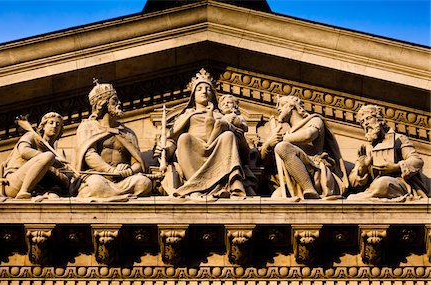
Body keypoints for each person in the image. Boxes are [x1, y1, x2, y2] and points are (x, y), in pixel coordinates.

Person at [154, 69, 246, 199]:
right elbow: (172, 140)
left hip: (217, 150)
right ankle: (195, 186)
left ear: (213, 95)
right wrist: (166, 150)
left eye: (208, 89)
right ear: (193, 95)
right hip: (194, 150)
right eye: (200, 89)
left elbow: (242, 144)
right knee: (184, 138)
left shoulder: (221, 116)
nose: (204, 91)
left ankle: (230, 184)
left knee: (228, 136)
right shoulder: (187, 115)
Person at [75, 79, 152, 198]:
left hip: (123, 179)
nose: (119, 103)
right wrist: (112, 171)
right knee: (95, 184)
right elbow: (89, 154)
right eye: (114, 100)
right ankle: (116, 195)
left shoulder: (127, 133)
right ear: (102, 103)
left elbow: (137, 162)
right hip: (99, 176)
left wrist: (129, 171)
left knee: (144, 183)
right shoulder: (88, 127)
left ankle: (112, 195)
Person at [261, 95, 348, 199]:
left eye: (282, 105)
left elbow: (308, 135)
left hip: (315, 173)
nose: (278, 109)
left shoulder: (314, 120)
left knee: (282, 147)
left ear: (292, 106)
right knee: (276, 198)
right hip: (293, 179)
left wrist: (283, 138)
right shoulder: (287, 134)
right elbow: (263, 162)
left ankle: (309, 189)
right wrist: (268, 144)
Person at [348, 105, 428, 200]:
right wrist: (363, 167)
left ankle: (364, 198)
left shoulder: (398, 139)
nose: (365, 123)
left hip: (398, 183)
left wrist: (396, 167)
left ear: (380, 119)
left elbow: (417, 161)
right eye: (362, 122)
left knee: (383, 183)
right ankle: (366, 197)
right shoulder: (366, 149)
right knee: (353, 197)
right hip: (374, 185)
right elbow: (353, 181)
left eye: (368, 118)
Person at [0, 112, 71, 199]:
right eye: (51, 123)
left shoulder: (51, 149)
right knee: (48, 156)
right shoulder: (30, 136)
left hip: (37, 187)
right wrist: (54, 160)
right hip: (12, 182)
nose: (54, 126)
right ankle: (24, 191)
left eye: (58, 124)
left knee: (65, 179)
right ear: (43, 126)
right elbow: (24, 151)